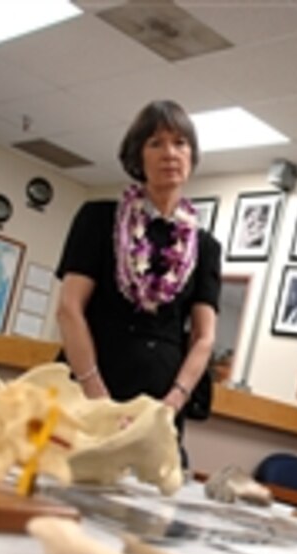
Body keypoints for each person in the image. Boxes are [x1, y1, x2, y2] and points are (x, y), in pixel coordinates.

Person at [55, 100, 221, 444]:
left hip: (160, 402)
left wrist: (173, 403)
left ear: (192, 156)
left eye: (180, 143)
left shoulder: (204, 247)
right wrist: (95, 393)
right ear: (137, 156)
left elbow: (204, 338)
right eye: (156, 143)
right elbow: (69, 309)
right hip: (92, 384)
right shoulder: (99, 218)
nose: (170, 154)